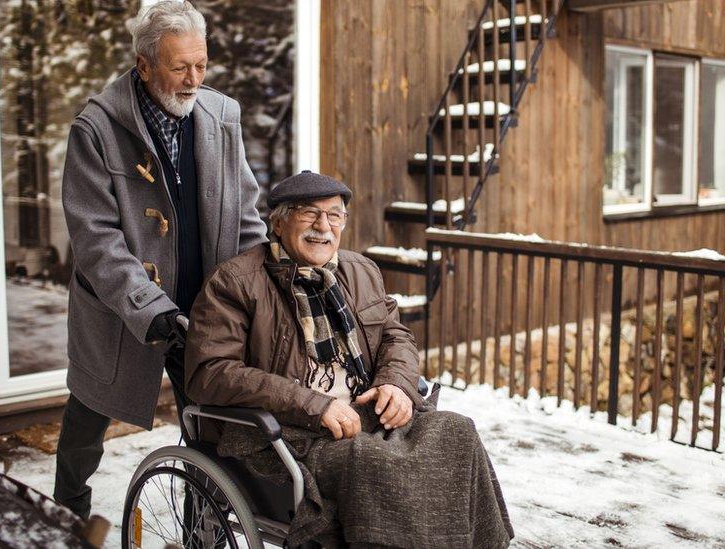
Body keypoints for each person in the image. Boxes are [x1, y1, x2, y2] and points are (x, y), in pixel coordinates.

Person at [185, 171, 514, 548]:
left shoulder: (360, 271)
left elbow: (396, 335)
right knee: (373, 461)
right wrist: (312, 404)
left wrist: (396, 383)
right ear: (278, 222)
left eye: (334, 215)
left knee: (456, 431)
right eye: (309, 213)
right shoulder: (235, 281)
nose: (323, 227)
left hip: (365, 412)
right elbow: (211, 373)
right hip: (287, 432)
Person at [54, 0, 267, 519]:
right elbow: (95, 238)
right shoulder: (97, 129)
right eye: (179, 67)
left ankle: (203, 523)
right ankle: (65, 511)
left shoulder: (221, 116)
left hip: (203, 304)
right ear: (144, 65)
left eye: (201, 64)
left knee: (209, 423)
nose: (194, 79)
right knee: (89, 414)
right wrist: (149, 307)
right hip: (121, 309)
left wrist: (262, 282)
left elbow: (244, 213)